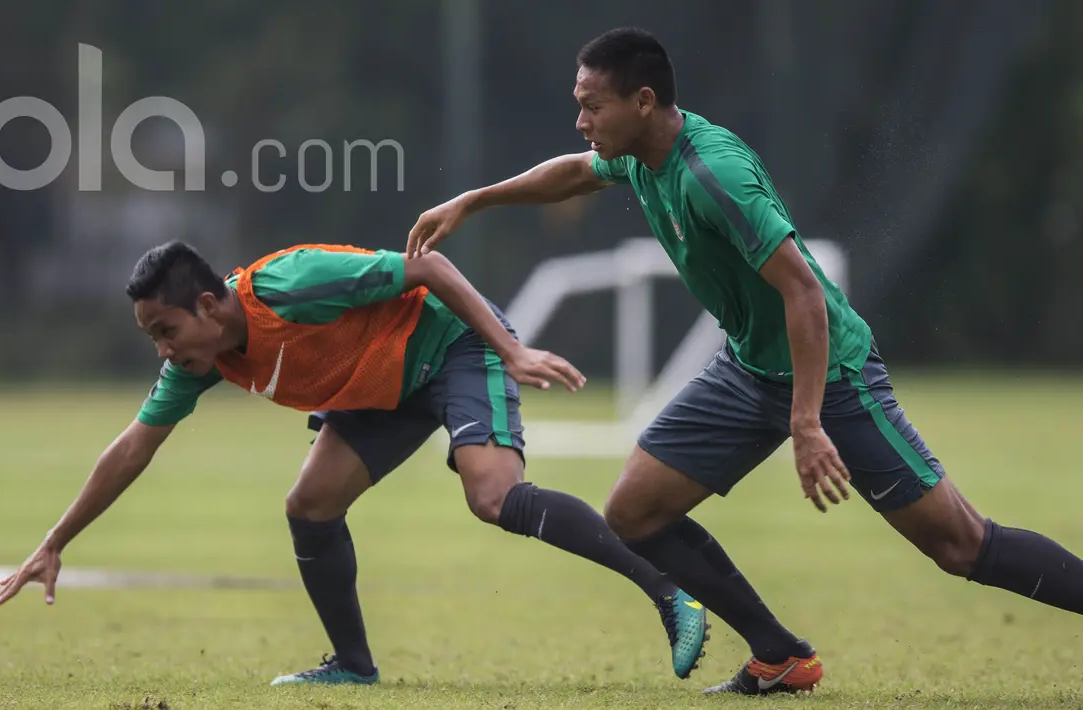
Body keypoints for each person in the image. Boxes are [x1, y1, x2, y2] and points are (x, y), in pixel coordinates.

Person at [406, 26, 1083, 695]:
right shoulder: (637, 155)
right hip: (747, 367)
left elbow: (804, 294)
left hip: (832, 373)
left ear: (642, 101)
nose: (580, 120)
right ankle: (779, 656)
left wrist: (807, 422)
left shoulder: (711, 174)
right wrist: (474, 199)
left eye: (592, 105)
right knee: (635, 513)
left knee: (959, 545)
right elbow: (573, 174)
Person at [0, 240, 710, 684]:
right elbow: (133, 446)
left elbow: (424, 263)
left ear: (208, 305)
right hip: (378, 390)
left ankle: (669, 596)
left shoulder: (292, 284)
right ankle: (353, 666)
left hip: (451, 346)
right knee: (310, 504)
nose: (163, 350)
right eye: (152, 338)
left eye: (167, 331)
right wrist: (54, 544)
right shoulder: (200, 360)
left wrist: (511, 349)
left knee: (492, 497)